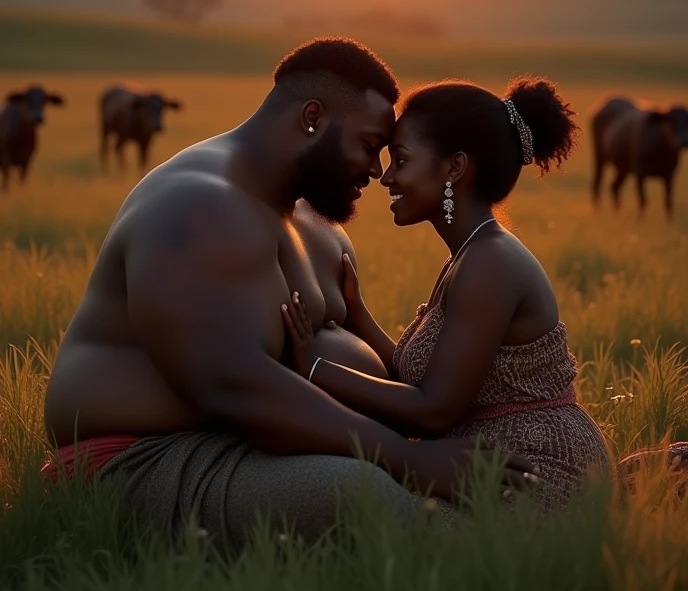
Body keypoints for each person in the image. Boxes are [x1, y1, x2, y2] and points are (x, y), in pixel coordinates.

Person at [43, 39, 536, 548]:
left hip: (255, 445)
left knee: (493, 472)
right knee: (359, 494)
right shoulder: (199, 205)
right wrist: (408, 458)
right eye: (369, 145)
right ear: (312, 118)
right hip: (148, 458)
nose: (376, 171)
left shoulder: (312, 220)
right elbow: (232, 386)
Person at [282, 76, 611, 511]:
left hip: (538, 474)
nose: (387, 177)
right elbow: (423, 380)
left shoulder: (490, 263)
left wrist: (314, 368)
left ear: (454, 168)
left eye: (400, 160)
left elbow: (433, 410)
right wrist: (359, 316)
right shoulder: (470, 253)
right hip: (490, 466)